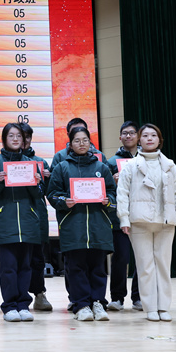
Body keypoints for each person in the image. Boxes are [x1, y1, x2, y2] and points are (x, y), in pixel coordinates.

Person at [117, 124, 176, 322]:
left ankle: (164, 307)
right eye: (145, 135)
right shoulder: (131, 166)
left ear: (159, 140)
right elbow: (122, 193)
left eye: (153, 135)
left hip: (165, 222)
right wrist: (124, 218)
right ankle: (150, 307)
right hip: (139, 222)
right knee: (145, 266)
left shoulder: (170, 165)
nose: (149, 138)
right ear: (139, 140)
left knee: (163, 265)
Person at [47, 126, 116, 322]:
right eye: (77, 140)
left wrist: (108, 201)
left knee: (98, 268)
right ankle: (81, 305)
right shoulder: (62, 168)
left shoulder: (102, 168)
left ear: (90, 143)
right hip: (73, 226)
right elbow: (52, 194)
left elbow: (113, 193)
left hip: (98, 226)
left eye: (85, 140)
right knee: (76, 268)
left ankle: (98, 303)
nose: (82, 144)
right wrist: (64, 201)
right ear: (70, 144)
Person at [0, 123, 43, 322]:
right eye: (11, 136)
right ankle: (9, 306)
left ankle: (23, 305)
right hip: (3, 223)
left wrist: (36, 182)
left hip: (27, 223)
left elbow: (39, 195)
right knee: (8, 267)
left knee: (25, 266)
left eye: (19, 136)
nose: (16, 139)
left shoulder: (31, 163)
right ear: (4, 139)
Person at [106, 121, 142, 312]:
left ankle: (139, 297)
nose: (128, 136)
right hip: (120, 218)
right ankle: (117, 298)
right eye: (125, 133)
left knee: (142, 259)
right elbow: (104, 190)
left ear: (138, 136)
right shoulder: (112, 162)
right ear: (120, 137)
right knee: (121, 258)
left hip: (143, 216)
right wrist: (113, 182)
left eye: (132, 133)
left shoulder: (147, 159)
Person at [19, 122, 53, 312]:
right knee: (18, 259)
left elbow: (48, 192)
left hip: (37, 215)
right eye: (19, 136)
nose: (23, 141)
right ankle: (18, 297)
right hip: (15, 216)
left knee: (38, 259)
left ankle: (39, 294)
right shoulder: (5, 162)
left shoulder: (41, 162)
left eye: (27, 137)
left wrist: (47, 179)